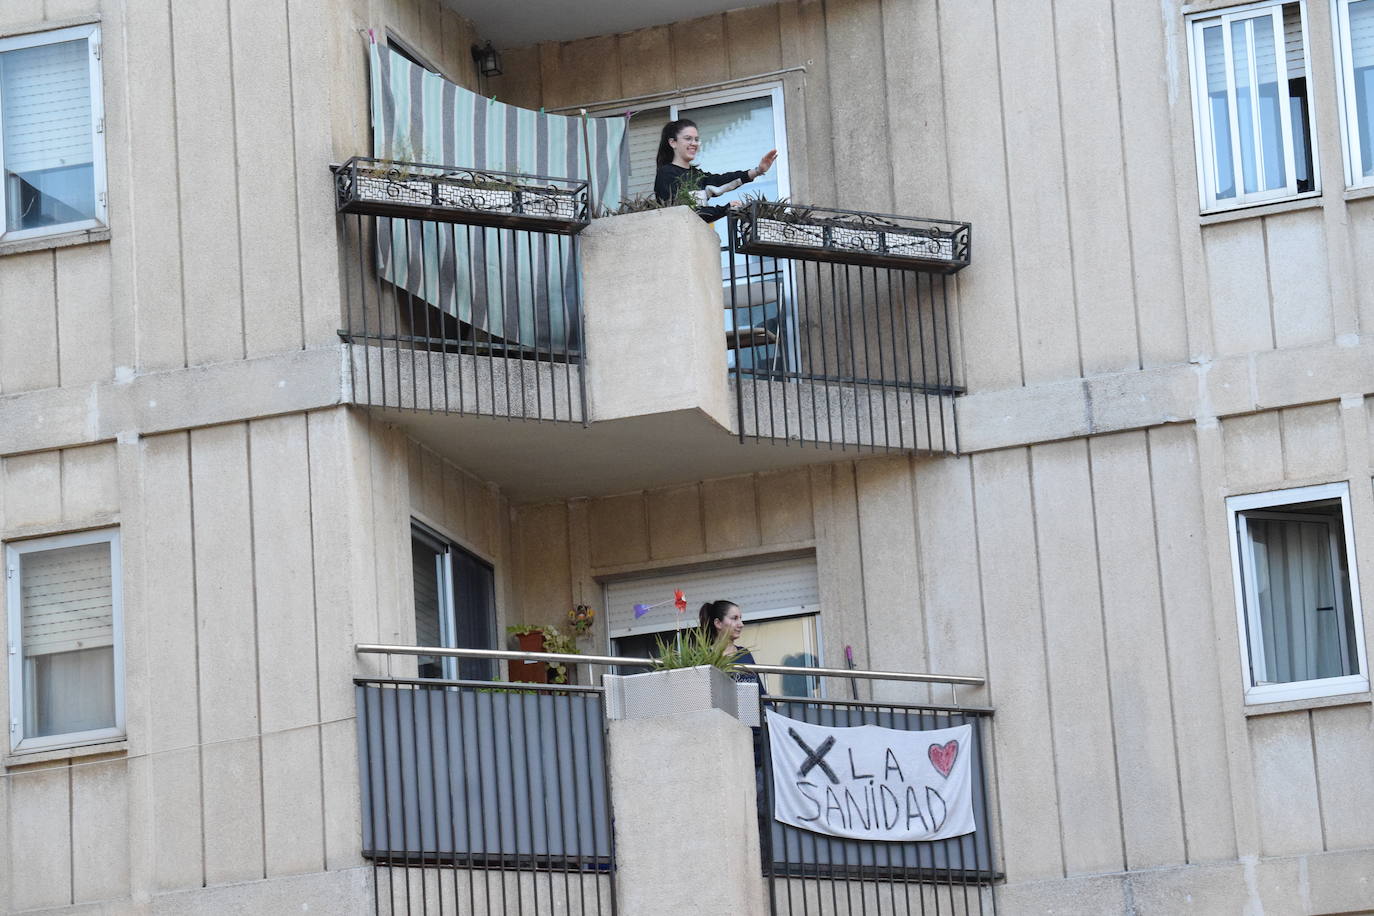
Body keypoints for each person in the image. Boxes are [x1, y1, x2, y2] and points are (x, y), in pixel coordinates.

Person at [654, 119, 778, 223]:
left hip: (699, 239)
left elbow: (722, 181)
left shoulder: (697, 175)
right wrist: (725, 209)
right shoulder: (666, 173)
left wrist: (758, 171)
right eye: (688, 138)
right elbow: (685, 212)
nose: (694, 143)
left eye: (696, 139)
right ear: (673, 142)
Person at [699, 599, 760, 685]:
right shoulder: (705, 657)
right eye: (734, 618)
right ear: (718, 623)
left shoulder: (744, 653)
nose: (741, 624)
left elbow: (760, 692)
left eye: (740, 618)